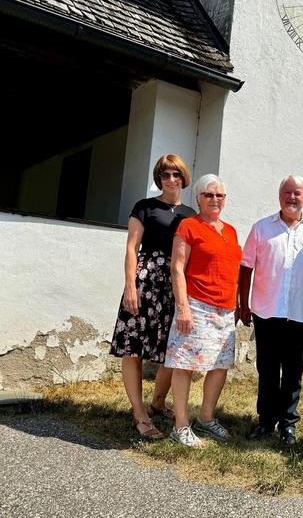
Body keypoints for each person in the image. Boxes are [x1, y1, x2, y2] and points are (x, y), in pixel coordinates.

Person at [110, 154, 195, 439]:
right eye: (165, 174)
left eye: (176, 174)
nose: (171, 179)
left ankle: (158, 403)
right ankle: (139, 414)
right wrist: (130, 287)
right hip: (145, 281)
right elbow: (132, 248)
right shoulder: (144, 207)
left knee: (173, 350)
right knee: (133, 348)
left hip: (174, 283)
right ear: (159, 178)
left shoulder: (191, 215)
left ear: (184, 177)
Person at [239, 175, 303, 445]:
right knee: (269, 369)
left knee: (294, 370)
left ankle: (288, 423)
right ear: (279, 196)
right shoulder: (261, 229)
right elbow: (246, 266)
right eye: (287, 192)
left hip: (301, 312)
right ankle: (265, 421)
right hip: (267, 311)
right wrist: (243, 304)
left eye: (297, 193)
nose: (292, 197)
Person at [165, 174, 243, 448]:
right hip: (195, 306)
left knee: (220, 366)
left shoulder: (230, 231)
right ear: (197, 198)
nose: (214, 200)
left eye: (219, 195)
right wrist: (183, 307)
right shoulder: (188, 226)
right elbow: (177, 268)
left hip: (225, 311)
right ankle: (181, 425)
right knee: (185, 365)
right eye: (208, 195)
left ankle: (206, 418)